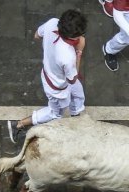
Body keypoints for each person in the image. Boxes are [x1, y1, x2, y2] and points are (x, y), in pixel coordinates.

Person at [8, 10, 86, 144]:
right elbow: (72, 79)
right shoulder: (67, 56)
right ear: (74, 37)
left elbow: (37, 35)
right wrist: (79, 51)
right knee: (55, 113)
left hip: (50, 72)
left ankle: (75, 116)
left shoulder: (52, 23)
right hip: (57, 87)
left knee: (78, 94)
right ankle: (18, 124)